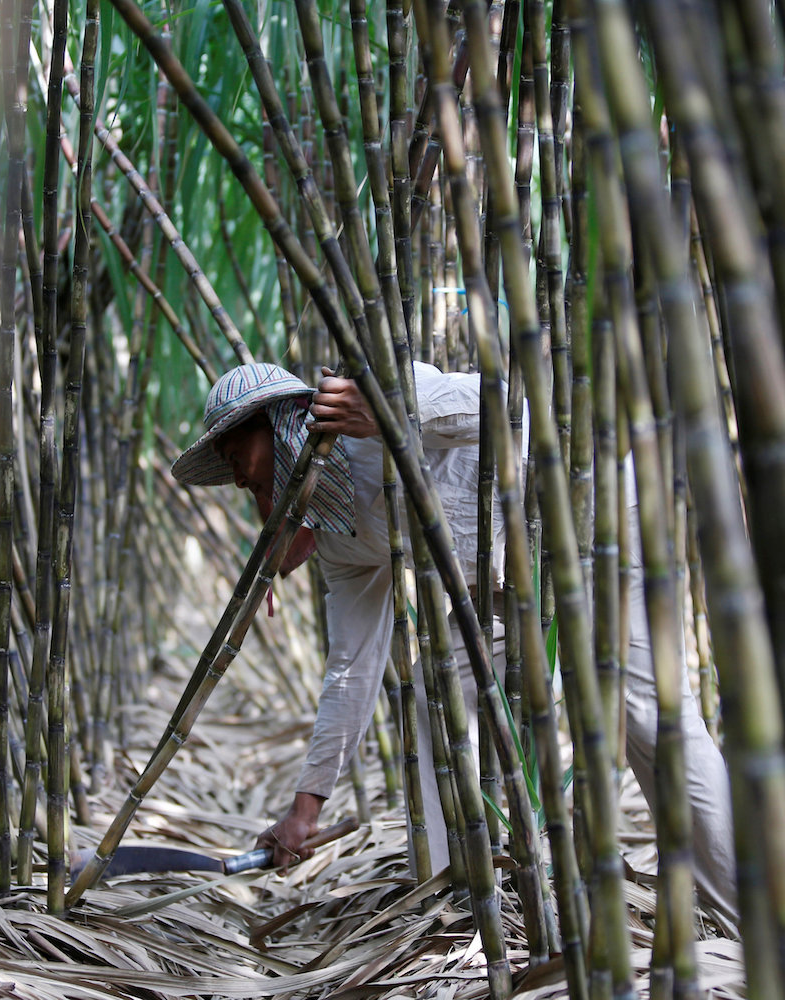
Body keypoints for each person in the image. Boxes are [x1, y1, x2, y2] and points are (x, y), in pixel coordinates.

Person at [171, 361, 737, 914]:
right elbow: (352, 668)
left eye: (234, 457)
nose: (240, 478)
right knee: (433, 695)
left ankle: (738, 907)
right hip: (505, 588)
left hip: (584, 518)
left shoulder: (374, 394)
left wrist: (391, 413)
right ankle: (456, 904)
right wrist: (305, 808)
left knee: (645, 709)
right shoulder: (338, 538)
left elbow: (512, 408)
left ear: (275, 424)